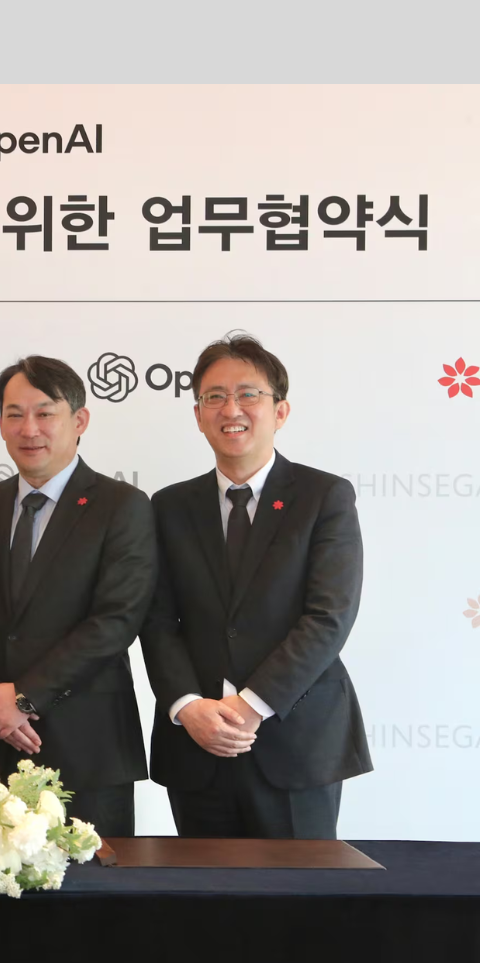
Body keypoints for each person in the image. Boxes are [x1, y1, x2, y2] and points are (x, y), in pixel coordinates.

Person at [141, 332, 371, 838]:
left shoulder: (324, 496)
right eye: (215, 397)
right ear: (198, 415)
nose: (231, 409)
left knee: (299, 889)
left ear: (280, 411)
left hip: (296, 740)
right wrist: (186, 706)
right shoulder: (169, 506)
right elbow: (156, 621)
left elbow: (328, 617)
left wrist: (251, 705)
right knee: (202, 888)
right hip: (197, 744)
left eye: (248, 394)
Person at [0, 357, 156, 837]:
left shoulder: (121, 506)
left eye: (45, 413)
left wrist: (24, 698)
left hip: (87, 747)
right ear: (1, 424)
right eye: (15, 414)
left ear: (79, 420)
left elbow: (116, 620)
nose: (29, 429)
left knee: (93, 881)